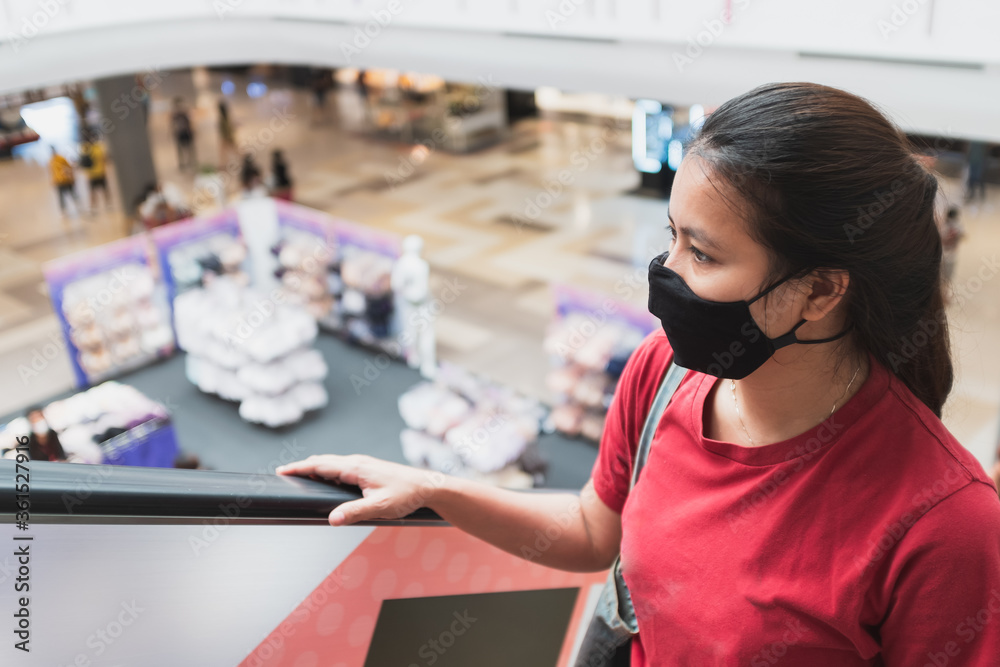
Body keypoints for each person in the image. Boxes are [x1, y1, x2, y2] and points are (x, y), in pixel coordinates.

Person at [277, 83, 1000, 665]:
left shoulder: (945, 524)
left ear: (819, 290)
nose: (665, 273)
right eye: (671, 237)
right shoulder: (664, 376)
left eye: (704, 254)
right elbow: (597, 529)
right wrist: (435, 489)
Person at [79, 136, 109, 212]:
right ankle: (101, 205)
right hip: (96, 173)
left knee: (97, 191)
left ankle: (97, 206)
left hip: (95, 173)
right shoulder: (97, 147)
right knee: (98, 191)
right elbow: (104, 158)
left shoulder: (87, 148)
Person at [49, 147, 78, 216]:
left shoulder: (61, 158)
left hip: (66, 180)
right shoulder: (51, 161)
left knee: (72, 193)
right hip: (59, 181)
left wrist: (71, 177)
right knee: (61, 197)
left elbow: (69, 167)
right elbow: (52, 172)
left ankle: (78, 205)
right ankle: (64, 210)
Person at [171, 97, 196, 171]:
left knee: (189, 148)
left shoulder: (185, 113)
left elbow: (190, 123)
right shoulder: (175, 115)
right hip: (179, 133)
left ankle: (190, 161)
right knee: (180, 149)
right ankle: (182, 163)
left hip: (186, 132)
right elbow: (173, 125)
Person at [217, 100, 237, 165]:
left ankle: (224, 165)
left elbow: (226, 129)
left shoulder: (223, 119)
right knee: (225, 153)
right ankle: (224, 164)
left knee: (225, 153)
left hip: (227, 138)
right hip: (227, 137)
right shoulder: (224, 118)